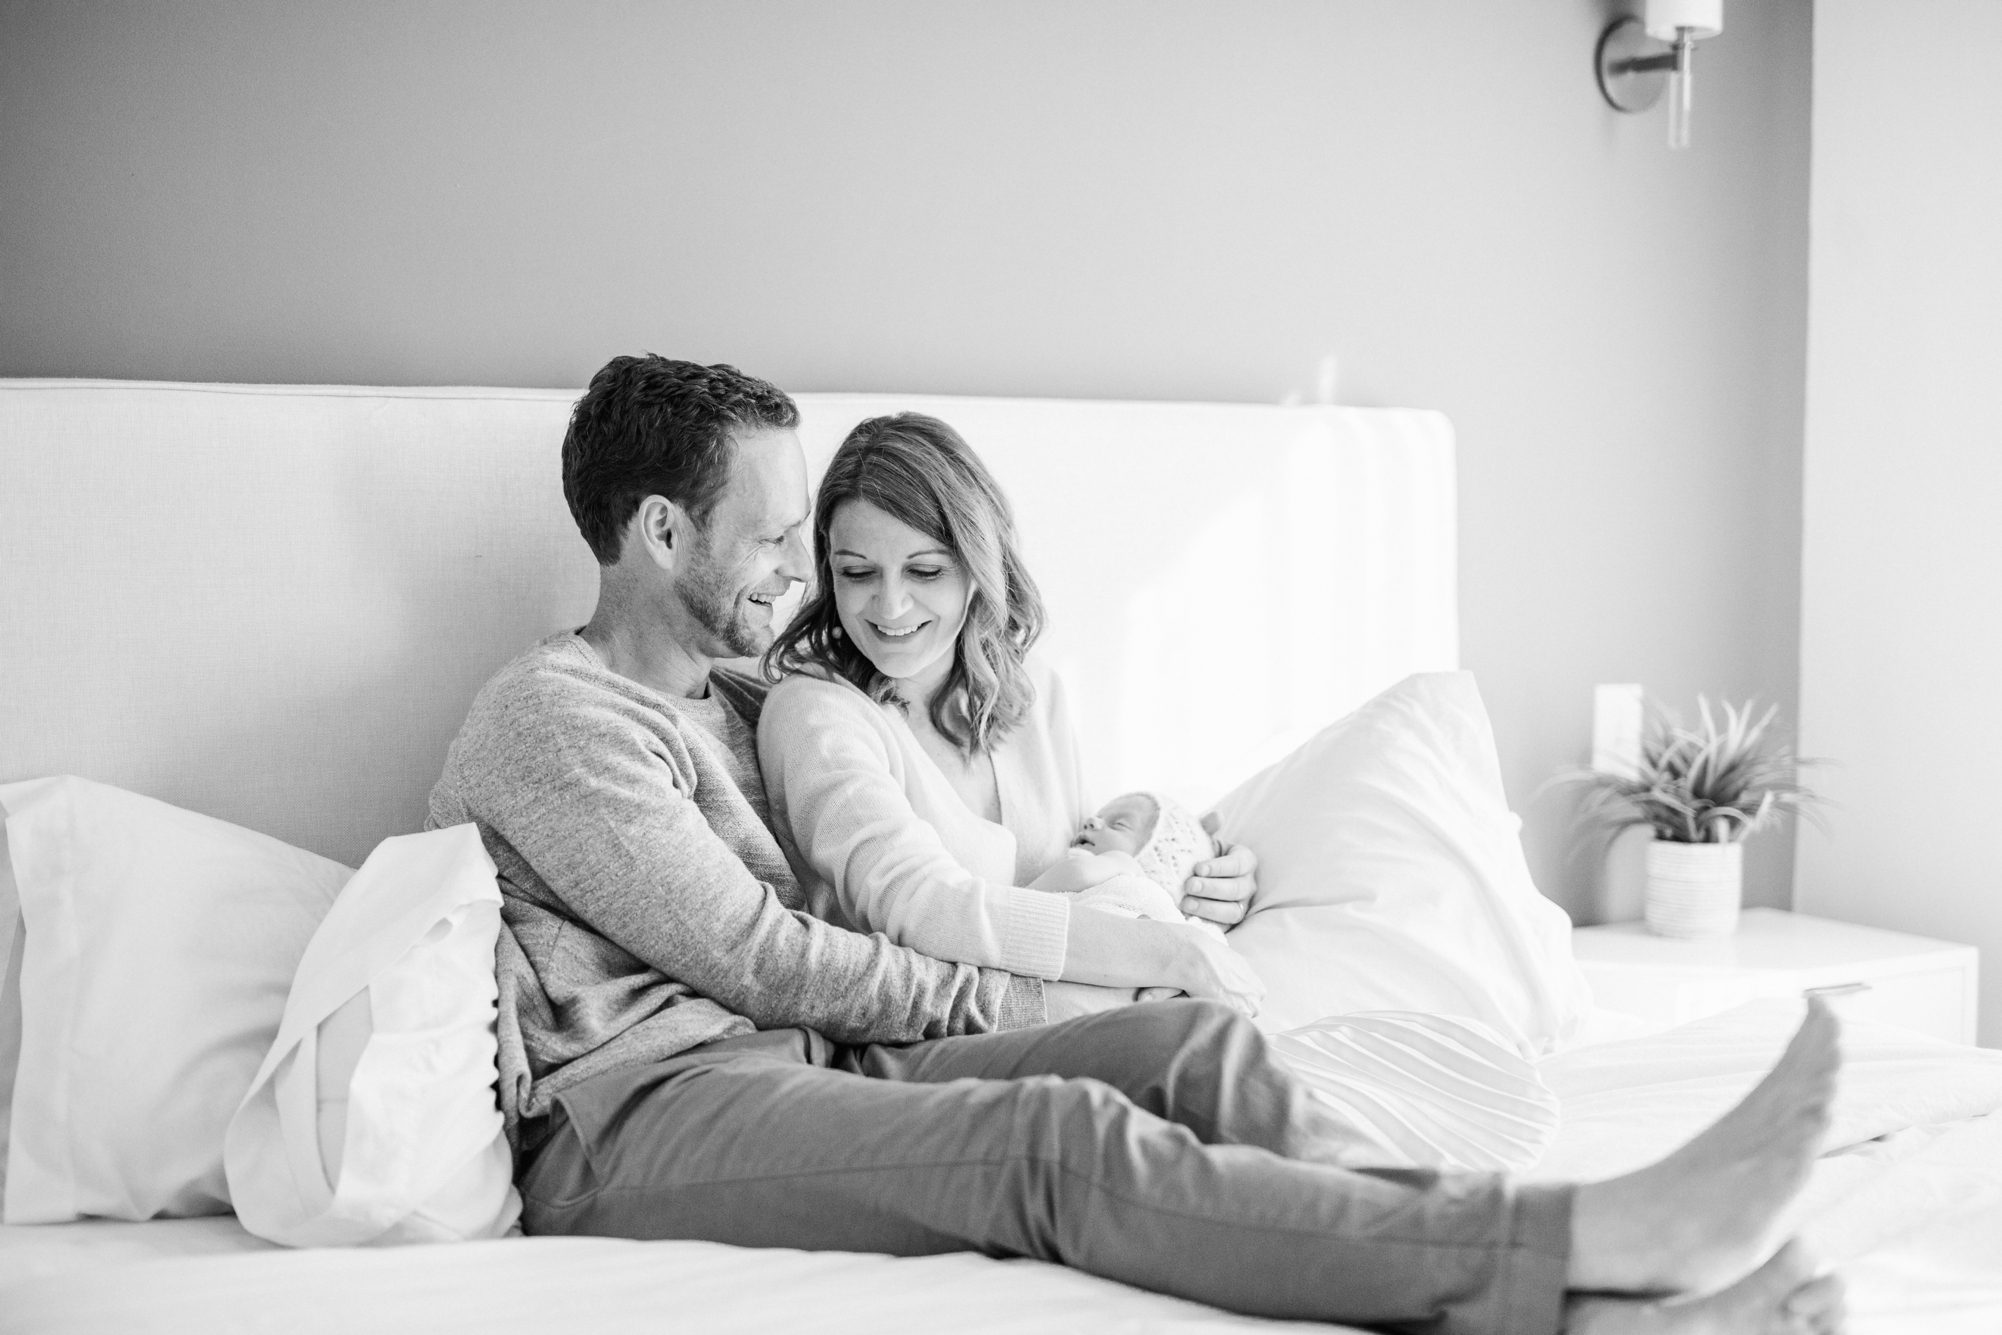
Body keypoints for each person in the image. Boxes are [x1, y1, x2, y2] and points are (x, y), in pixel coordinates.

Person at [430, 354, 1845, 1335]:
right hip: (637, 1115)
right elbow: (766, 957)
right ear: (662, 530)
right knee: (1051, 1141)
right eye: (778, 536)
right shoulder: (555, 717)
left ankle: (1563, 1275)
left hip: (806, 1064)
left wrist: (1152, 854)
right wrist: (1040, 994)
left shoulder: (744, 696)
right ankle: (1580, 1253)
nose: (805, 573)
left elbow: (954, 829)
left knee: (1193, 1051)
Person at [1029, 790, 1225, 936]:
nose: (1090, 821)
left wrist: (1118, 862)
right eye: (1098, 817)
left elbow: (1077, 873)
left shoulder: (1126, 868)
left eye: (1118, 825)